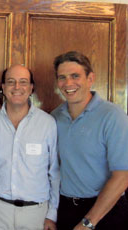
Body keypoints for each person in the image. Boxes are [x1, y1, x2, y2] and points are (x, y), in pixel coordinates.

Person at [51, 51, 128, 230]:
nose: (68, 83)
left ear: (90, 78)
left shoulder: (112, 116)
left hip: (106, 211)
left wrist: (88, 222)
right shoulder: (54, 117)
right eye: (62, 77)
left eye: (75, 76)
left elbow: (122, 176)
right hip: (66, 209)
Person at [0, 64, 60, 230]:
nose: (17, 87)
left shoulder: (47, 123)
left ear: (31, 88)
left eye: (23, 82)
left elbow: (54, 172)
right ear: (3, 87)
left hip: (36, 215)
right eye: (11, 82)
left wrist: (52, 214)